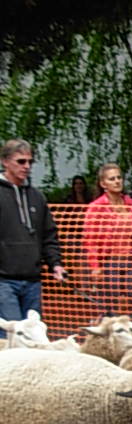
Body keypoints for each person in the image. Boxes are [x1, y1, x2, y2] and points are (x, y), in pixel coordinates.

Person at [0, 138, 65, 335]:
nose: (27, 166)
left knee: (33, 336)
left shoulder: (37, 197)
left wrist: (55, 264)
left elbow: (49, 235)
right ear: (5, 161)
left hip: (32, 280)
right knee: (12, 336)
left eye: (30, 161)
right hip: (3, 281)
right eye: (21, 161)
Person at [83, 163, 132, 317]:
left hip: (130, 261)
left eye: (119, 177)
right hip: (108, 262)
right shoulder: (96, 207)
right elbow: (90, 240)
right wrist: (95, 266)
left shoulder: (131, 204)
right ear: (103, 184)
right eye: (112, 179)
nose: (117, 181)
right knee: (111, 310)